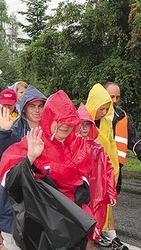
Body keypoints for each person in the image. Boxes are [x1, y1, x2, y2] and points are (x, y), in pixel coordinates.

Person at [0, 90, 96, 249]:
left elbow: (85, 189)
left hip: (68, 226)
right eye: (59, 120)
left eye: (69, 121)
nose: (65, 125)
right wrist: (30, 158)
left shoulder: (79, 147)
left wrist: (84, 216)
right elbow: (9, 181)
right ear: (49, 117)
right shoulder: (32, 141)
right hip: (38, 226)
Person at [0, 86, 46, 250]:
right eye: (32, 105)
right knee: (13, 244)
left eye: (41, 106)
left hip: (37, 199)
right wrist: (2, 131)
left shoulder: (49, 130)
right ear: (25, 106)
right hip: (12, 198)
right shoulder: (12, 128)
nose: (37, 110)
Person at [85, 83, 128, 250]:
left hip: (104, 173)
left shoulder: (107, 122)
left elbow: (111, 148)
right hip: (87, 176)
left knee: (104, 207)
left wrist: (112, 174)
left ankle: (106, 235)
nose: (103, 112)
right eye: (102, 108)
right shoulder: (82, 120)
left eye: (106, 108)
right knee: (87, 211)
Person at [77, 103, 117, 250]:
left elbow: (108, 170)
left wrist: (111, 191)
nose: (84, 128)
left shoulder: (97, 149)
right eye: (81, 124)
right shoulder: (69, 146)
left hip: (95, 196)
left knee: (91, 234)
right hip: (77, 196)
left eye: (87, 125)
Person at [104, 82, 141, 193]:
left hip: (116, 170)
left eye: (117, 97)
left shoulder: (122, 116)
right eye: (112, 97)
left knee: (111, 204)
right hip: (97, 169)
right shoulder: (93, 114)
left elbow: (134, 141)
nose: (115, 100)